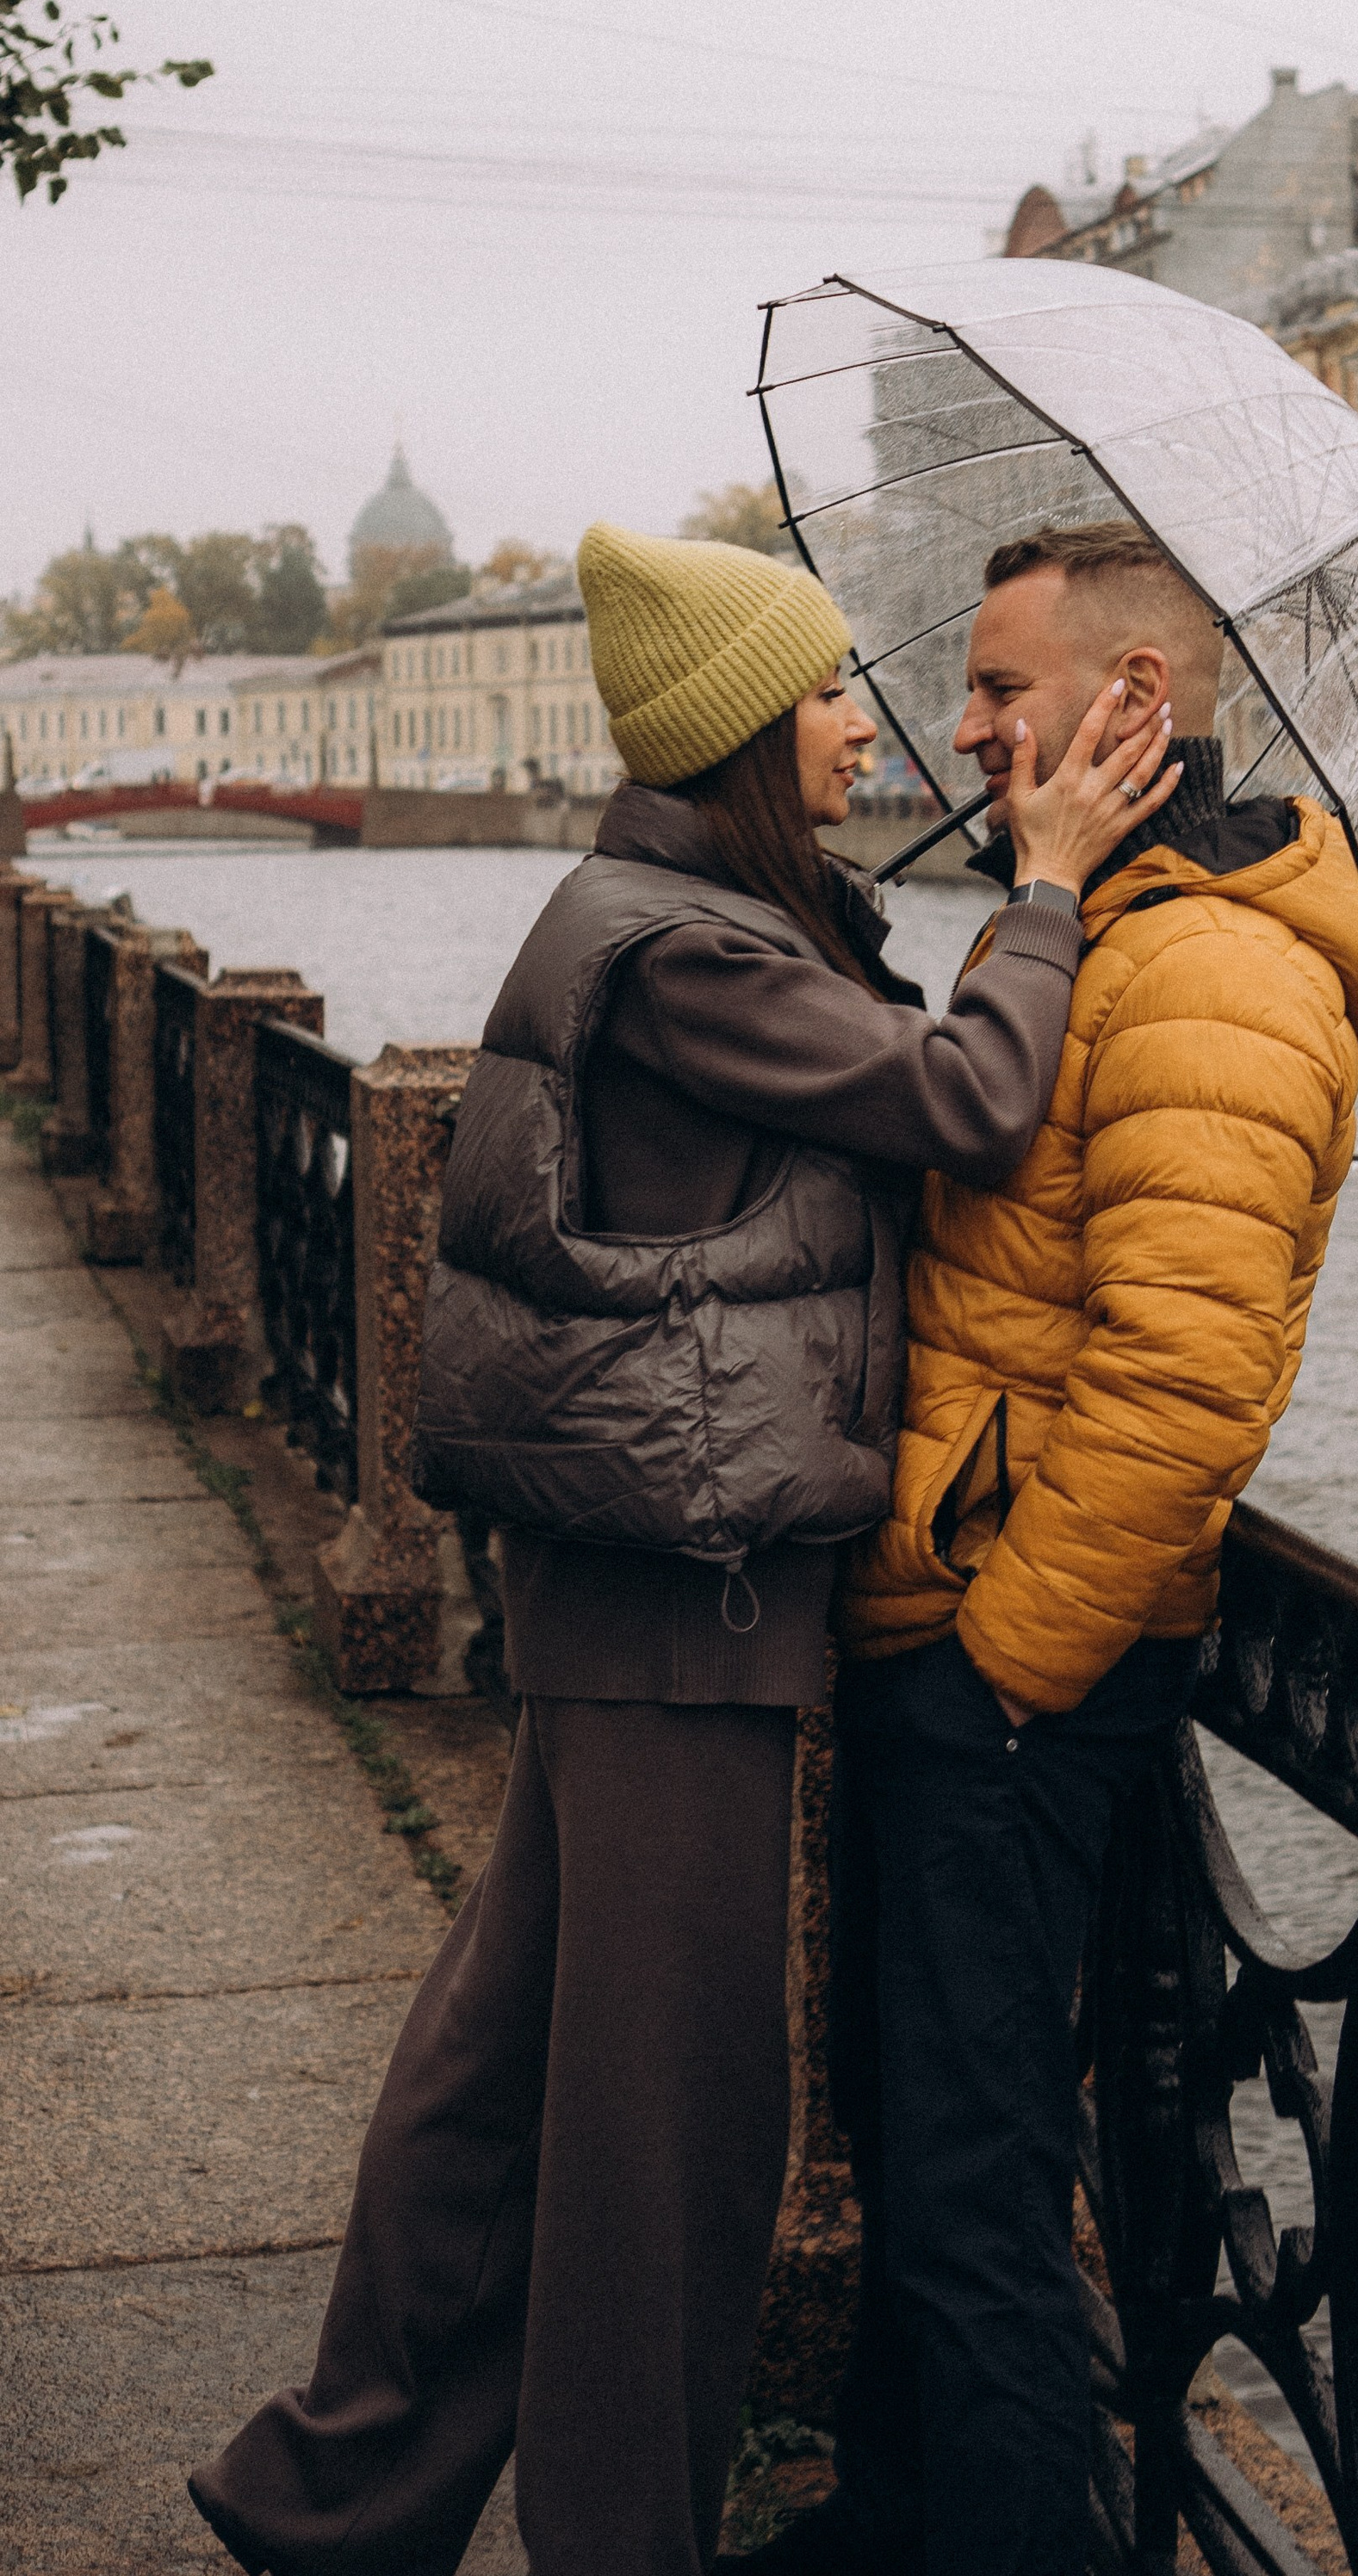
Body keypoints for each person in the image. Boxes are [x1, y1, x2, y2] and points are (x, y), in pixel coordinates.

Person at [189, 520, 1180, 2576]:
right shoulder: (688, 950)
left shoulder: (694, 912)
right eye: (825, 691)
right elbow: (971, 1098)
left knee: (506, 2078)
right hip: (679, 1588)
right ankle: (617, 2539)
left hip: (628, 1574)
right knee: (674, 2136)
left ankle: (338, 2492)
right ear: (744, 723)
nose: (863, 722)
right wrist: (1060, 887)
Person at [752, 522, 1358, 2576]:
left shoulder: (1213, 961)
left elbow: (1182, 1389)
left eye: (1000, 690)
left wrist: (999, 1664)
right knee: (929, 2145)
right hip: (952, 1626)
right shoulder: (1104, 919)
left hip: (1011, 1671)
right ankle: (891, 2522)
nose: (960, 726)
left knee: (979, 2182)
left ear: (1128, 709)